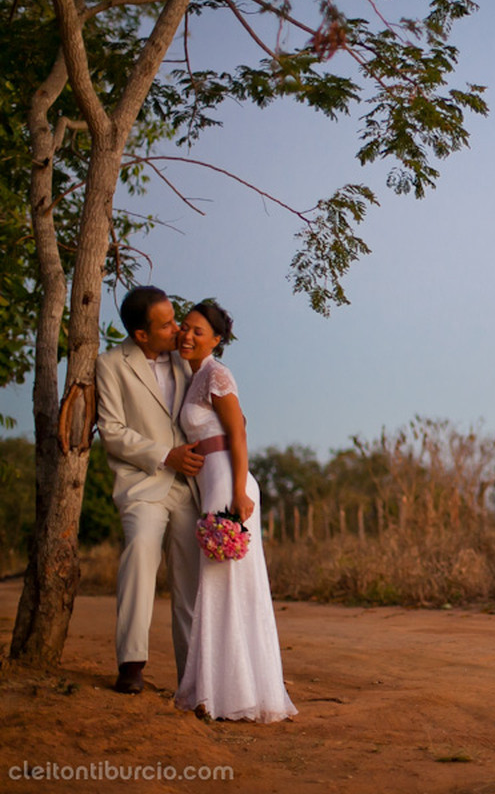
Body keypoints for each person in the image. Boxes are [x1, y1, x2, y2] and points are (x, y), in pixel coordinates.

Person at [172, 301, 297, 723]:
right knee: (219, 587)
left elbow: (238, 431)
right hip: (210, 479)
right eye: (185, 328)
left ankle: (232, 693)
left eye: (198, 332)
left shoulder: (217, 374)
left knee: (225, 584)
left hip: (227, 481)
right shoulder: (192, 376)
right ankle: (220, 688)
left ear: (217, 340)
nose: (187, 336)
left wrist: (241, 490)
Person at [96, 286, 204, 695]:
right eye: (167, 324)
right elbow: (112, 431)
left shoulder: (185, 357)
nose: (176, 329)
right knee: (140, 552)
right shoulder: (110, 365)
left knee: (192, 576)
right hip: (143, 483)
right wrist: (165, 455)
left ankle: (193, 673)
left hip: (190, 485)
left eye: (175, 319)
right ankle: (131, 663)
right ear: (141, 334)